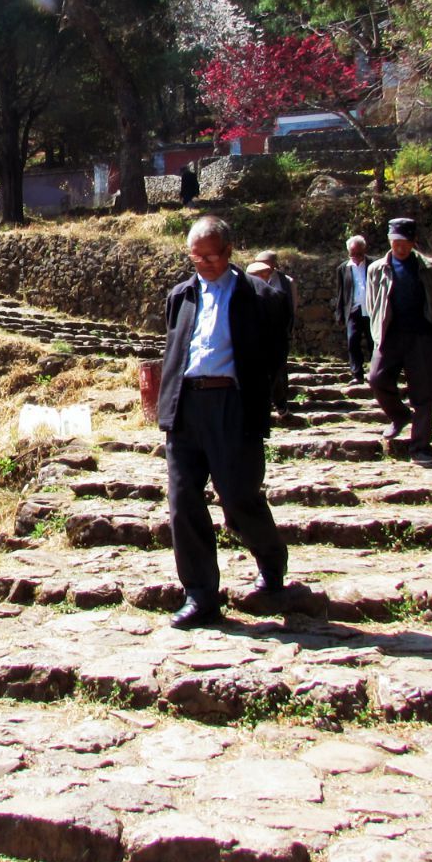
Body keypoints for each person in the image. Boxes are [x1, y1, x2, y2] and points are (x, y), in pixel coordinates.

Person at [157, 215, 296, 629]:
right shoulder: (180, 296)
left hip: (233, 406)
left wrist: (259, 399)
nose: (203, 263)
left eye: (211, 256)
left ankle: (271, 562)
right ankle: (200, 595)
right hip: (186, 408)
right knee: (183, 503)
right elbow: (174, 350)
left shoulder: (260, 297)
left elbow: (274, 355)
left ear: (230, 252)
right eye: (195, 256)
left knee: (238, 498)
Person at [365, 217, 432, 465]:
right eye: (396, 242)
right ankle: (400, 416)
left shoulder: (428, 268)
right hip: (390, 335)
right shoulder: (377, 269)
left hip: (421, 336)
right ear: (390, 242)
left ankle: (421, 447)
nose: (400, 247)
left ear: (413, 243)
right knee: (377, 378)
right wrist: (378, 331)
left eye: (405, 243)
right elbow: (374, 304)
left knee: (425, 392)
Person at [245, 250, 297, 416]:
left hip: (276, 335)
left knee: (278, 371)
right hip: (256, 338)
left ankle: (281, 404)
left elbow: (291, 308)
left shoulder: (285, 283)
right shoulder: (244, 289)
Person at [335, 235, 374, 384]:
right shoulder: (343, 268)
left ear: (364, 250)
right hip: (353, 310)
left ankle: (375, 373)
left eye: (359, 253)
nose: (356, 257)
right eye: (353, 253)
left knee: (373, 342)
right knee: (352, 341)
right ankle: (357, 375)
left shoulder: (374, 264)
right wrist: (339, 313)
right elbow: (341, 293)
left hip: (371, 309)